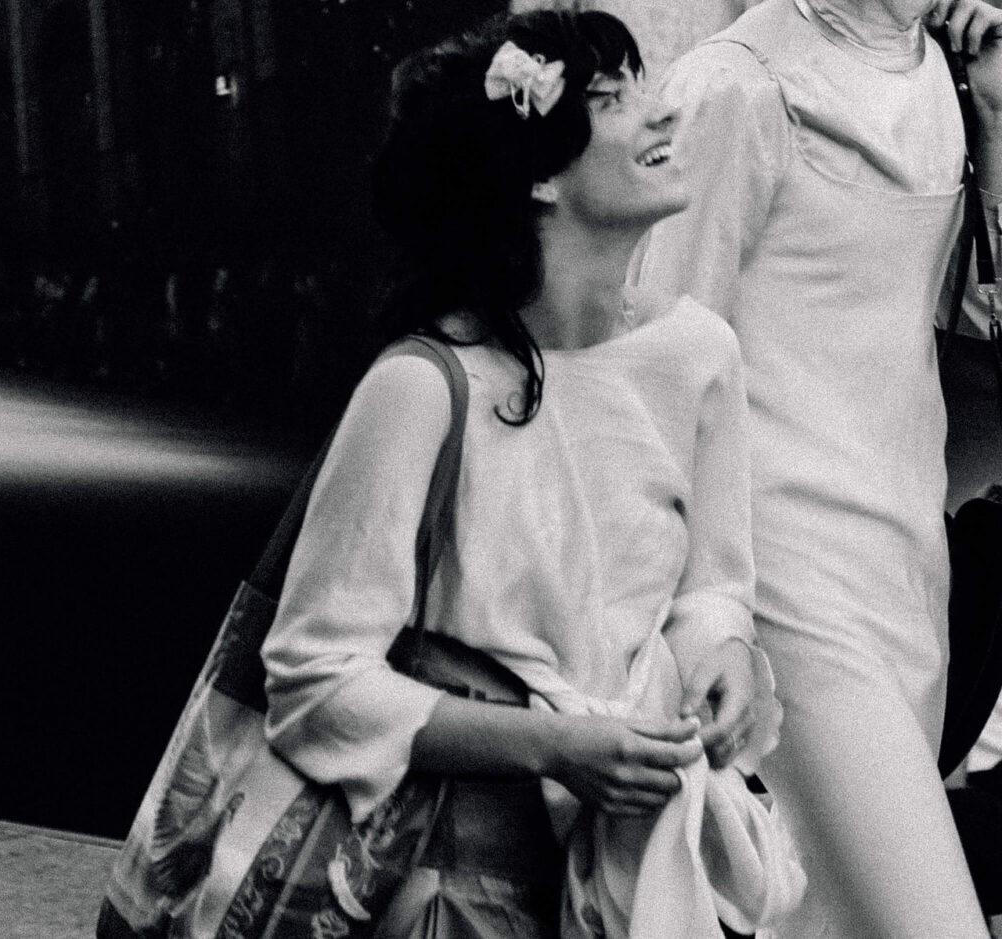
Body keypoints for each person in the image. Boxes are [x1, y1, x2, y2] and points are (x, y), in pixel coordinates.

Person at [259, 9, 795, 937]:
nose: (664, 114)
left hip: (639, 868)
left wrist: (727, 657)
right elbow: (313, 679)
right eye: (613, 100)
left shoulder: (699, 354)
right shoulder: (423, 387)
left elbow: (712, 587)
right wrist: (553, 744)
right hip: (456, 879)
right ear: (538, 174)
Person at [632, 0, 1002, 935]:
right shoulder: (739, 86)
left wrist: (996, 119)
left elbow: (974, 317)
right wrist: (703, 614)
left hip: (906, 565)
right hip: (785, 580)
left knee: (832, 919)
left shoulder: (945, 76)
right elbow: (653, 367)